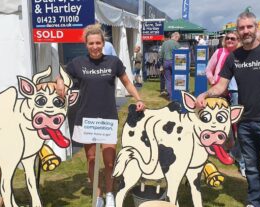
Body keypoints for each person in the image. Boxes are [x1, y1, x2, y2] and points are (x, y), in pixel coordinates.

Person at [196, 12, 260, 207]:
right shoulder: (234, 57)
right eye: (242, 28)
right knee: (252, 169)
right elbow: (221, 86)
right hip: (245, 123)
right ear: (238, 31)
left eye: (249, 27)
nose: (246, 31)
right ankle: (255, 202)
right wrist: (205, 94)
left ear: (255, 28)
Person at [56, 24, 145, 207]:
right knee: (91, 159)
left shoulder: (113, 62)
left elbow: (127, 82)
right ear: (86, 45)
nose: (95, 47)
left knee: (109, 161)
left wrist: (138, 98)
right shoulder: (78, 63)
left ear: (103, 43)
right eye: (91, 43)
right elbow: (63, 74)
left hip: (107, 117)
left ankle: (110, 193)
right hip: (86, 118)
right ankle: (98, 195)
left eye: (98, 43)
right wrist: (59, 81)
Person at [204, 31, 245, 176]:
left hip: (234, 91)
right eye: (227, 38)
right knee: (221, 121)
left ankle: (233, 150)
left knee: (235, 121)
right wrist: (212, 81)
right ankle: (222, 147)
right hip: (219, 92)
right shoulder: (220, 52)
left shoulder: (242, 54)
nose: (229, 40)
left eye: (233, 38)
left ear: (238, 40)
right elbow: (208, 69)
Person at [159, 32, 181, 98]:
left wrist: (161, 64)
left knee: (168, 80)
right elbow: (180, 54)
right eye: (178, 38)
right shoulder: (177, 44)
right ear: (176, 37)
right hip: (174, 62)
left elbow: (161, 55)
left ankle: (171, 95)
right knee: (176, 78)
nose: (178, 40)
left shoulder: (164, 43)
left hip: (166, 62)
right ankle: (176, 94)